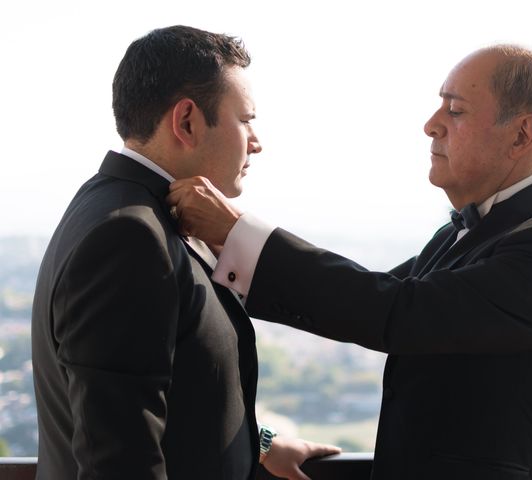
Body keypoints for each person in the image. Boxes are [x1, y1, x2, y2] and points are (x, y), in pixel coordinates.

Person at [168, 44, 532, 479]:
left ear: (521, 134)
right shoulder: (472, 229)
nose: (431, 125)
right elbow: (363, 294)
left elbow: (392, 311)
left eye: (455, 111)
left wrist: (237, 231)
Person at [31, 25, 338, 480]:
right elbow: (119, 460)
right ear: (187, 121)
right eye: (246, 119)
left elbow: (176, 390)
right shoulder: (130, 238)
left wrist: (261, 442)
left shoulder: (120, 206)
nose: (256, 141)